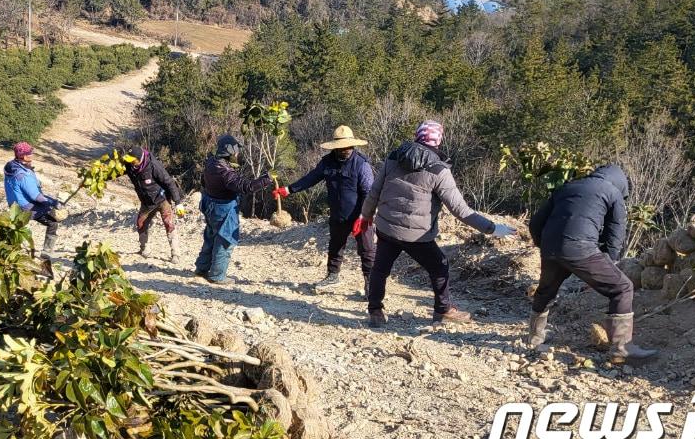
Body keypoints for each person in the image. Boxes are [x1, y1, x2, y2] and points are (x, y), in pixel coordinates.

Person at [357, 121, 513, 327]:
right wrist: (493, 228)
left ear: (417, 136)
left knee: (380, 269)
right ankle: (443, 310)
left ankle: (375, 311)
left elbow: (374, 192)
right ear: (438, 141)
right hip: (417, 235)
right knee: (439, 267)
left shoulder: (394, 158)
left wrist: (365, 216)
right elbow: (460, 210)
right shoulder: (439, 170)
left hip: (386, 227)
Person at [527, 164, 657, 363]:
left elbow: (535, 222)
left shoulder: (567, 187)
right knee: (622, 288)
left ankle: (535, 338)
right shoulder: (612, 192)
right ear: (621, 184)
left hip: (550, 246)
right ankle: (622, 349)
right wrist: (609, 262)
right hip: (580, 247)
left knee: (546, 290)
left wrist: (544, 245)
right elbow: (615, 234)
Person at [274, 125, 376, 298]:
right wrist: (289, 189)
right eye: (341, 147)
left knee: (367, 249)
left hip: (360, 215)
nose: (344, 150)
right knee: (336, 245)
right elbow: (311, 178)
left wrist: (364, 216)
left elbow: (370, 192)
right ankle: (332, 276)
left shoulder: (361, 164)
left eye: (347, 146)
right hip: (338, 214)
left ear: (352, 146)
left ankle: (371, 284)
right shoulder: (327, 162)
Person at [196, 134, 273, 285]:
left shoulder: (211, 162)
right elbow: (246, 187)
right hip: (223, 208)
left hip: (209, 203)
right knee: (225, 241)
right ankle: (218, 275)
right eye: (236, 151)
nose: (237, 154)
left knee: (211, 236)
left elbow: (203, 182)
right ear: (230, 151)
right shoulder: (224, 171)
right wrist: (266, 179)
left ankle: (202, 268)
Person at [123, 146, 185, 260]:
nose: (131, 163)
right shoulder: (129, 164)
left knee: (169, 224)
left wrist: (178, 202)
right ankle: (144, 248)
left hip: (162, 200)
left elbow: (169, 183)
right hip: (146, 202)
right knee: (141, 223)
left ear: (139, 158)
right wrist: (100, 177)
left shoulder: (153, 166)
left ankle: (175, 253)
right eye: (129, 161)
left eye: (133, 161)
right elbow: (116, 171)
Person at [4, 141, 62, 257]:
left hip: (14, 206)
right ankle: (46, 255)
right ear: (24, 156)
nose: (32, 155)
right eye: (30, 154)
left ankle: (7, 252)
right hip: (27, 207)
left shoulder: (11, 166)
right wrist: (53, 202)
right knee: (52, 223)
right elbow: (35, 196)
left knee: (15, 229)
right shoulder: (23, 175)